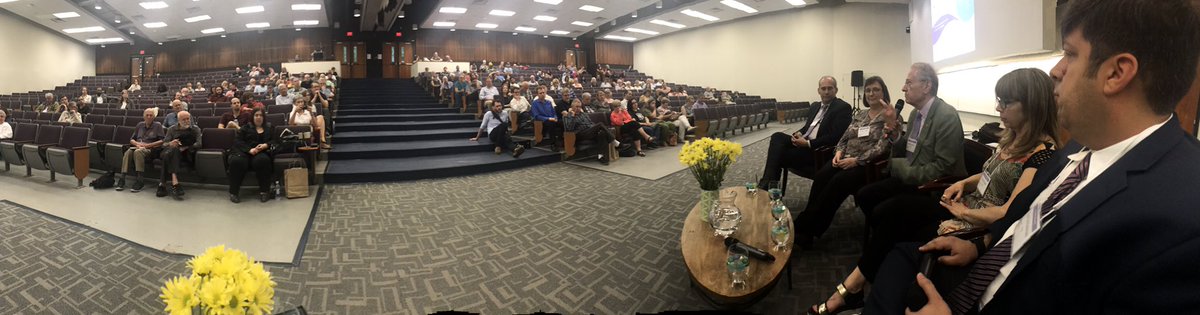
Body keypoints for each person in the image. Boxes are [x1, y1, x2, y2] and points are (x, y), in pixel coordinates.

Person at [867, 1, 1200, 314]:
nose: (1055, 70)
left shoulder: (1181, 219)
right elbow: (1029, 223)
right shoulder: (1079, 149)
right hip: (979, 267)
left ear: (1116, 73)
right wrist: (980, 248)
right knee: (900, 257)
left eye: (1070, 53)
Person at [807, 70, 1059, 314]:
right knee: (890, 214)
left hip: (971, 221)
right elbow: (987, 174)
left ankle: (852, 288)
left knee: (893, 223)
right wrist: (964, 184)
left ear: (1031, 105)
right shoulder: (1011, 139)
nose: (997, 109)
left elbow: (1010, 211)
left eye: (1005, 102)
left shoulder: (1042, 154)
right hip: (961, 204)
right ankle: (856, 285)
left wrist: (964, 212)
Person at [852, 63, 966, 223]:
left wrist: (900, 168)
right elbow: (907, 148)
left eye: (909, 83)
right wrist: (895, 134)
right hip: (913, 176)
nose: (903, 88)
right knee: (864, 195)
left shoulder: (946, 117)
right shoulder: (915, 114)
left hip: (932, 189)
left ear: (926, 86)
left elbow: (943, 169)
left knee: (882, 212)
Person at [759, 76, 853, 186]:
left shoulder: (842, 107)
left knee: (778, 155)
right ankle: (769, 186)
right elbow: (808, 128)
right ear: (818, 91)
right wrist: (798, 133)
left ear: (836, 90)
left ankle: (767, 185)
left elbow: (835, 136)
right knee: (777, 136)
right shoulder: (815, 106)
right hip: (803, 143)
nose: (826, 92)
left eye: (830, 88)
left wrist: (808, 143)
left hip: (817, 150)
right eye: (823, 89)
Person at [227, 109, 277, 203]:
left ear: (264, 117)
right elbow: (238, 141)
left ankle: (264, 191)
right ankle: (233, 192)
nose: (258, 117)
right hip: (245, 152)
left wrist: (266, 145)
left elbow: (275, 141)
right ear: (252, 117)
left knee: (263, 160)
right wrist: (249, 150)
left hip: (261, 152)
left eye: (260, 115)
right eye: (256, 115)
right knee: (237, 161)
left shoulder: (270, 127)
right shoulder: (245, 128)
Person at [116, 108, 165, 193]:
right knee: (128, 152)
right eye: (147, 115)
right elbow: (132, 139)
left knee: (138, 152)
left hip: (150, 149)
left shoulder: (158, 125)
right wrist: (137, 144)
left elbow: (162, 141)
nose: (149, 117)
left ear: (154, 117)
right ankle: (122, 178)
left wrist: (147, 145)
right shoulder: (140, 125)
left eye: (151, 115)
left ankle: (140, 180)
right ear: (144, 116)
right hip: (138, 147)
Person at [156, 111, 202, 201]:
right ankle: (175, 182)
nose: (186, 121)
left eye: (188, 119)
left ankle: (162, 184)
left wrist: (186, 147)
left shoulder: (195, 129)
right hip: (169, 151)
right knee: (173, 150)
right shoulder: (172, 129)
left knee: (168, 155)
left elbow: (199, 144)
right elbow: (163, 144)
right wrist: (171, 143)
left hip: (185, 154)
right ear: (178, 120)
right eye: (183, 119)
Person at [563, 99, 616, 165]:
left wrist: (595, 128)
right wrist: (573, 116)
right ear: (572, 107)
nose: (578, 108)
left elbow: (591, 123)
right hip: (578, 134)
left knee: (602, 133)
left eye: (579, 107)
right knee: (600, 124)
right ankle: (614, 141)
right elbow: (569, 128)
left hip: (589, 131)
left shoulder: (583, 114)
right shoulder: (567, 116)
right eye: (576, 107)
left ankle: (602, 157)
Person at [530, 86, 562, 151]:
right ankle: (553, 144)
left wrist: (555, 117)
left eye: (543, 93)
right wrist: (548, 119)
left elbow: (554, 113)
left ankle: (562, 140)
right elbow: (537, 116)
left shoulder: (549, 102)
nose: (542, 94)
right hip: (542, 121)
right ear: (537, 94)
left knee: (562, 122)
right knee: (551, 124)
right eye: (540, 93)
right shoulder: (535, 103)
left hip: (552, 119)